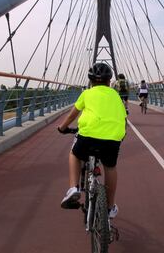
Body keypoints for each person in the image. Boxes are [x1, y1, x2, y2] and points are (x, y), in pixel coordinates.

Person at [58, 63, 127, 219]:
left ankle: (73, 188)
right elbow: (124, 118)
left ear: (90, 81)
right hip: (112, 138)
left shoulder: (86, 94)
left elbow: (71, 116)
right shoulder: (116, 96)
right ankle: (110, 207)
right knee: (110, 167)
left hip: (87, 136)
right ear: (110, 81)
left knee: (74, 154)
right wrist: (121, 135)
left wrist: (62, 127)